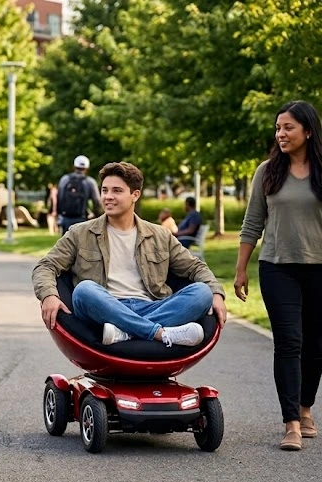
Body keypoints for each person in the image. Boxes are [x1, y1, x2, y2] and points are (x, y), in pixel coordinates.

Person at [33, 161, 227, 350]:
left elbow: (196, 267)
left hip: (152, 307)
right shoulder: (80, 233)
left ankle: (125, 332)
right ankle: (159, 333)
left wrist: (216, 293)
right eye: (104, 190)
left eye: (117, 191)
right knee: (84, 291)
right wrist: (48, 294)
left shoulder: (160, 235)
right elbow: (46, 266)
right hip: (105, 308)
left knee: (202, 293)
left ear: (135, 195)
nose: (108, 196)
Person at [235, 100, 322, 452]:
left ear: (308, 131)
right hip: (277, 267)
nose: (281, 133)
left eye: (288, 127)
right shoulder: (267, 171)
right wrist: (240, 269)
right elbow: (252, 221)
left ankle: (305, 409)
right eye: (277, 128)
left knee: (316, 346)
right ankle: (291, 424)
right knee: (289, 342)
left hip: (319, 268)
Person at [56, 155, 102, 235]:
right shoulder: (90, 182)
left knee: (66, 245)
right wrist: (97, 216)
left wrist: (59, 215)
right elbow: (97, 201)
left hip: (66, 218)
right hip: (83, 219)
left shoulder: (65, 179)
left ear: (74, 166)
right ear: (87, 168)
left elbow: (59, 198)